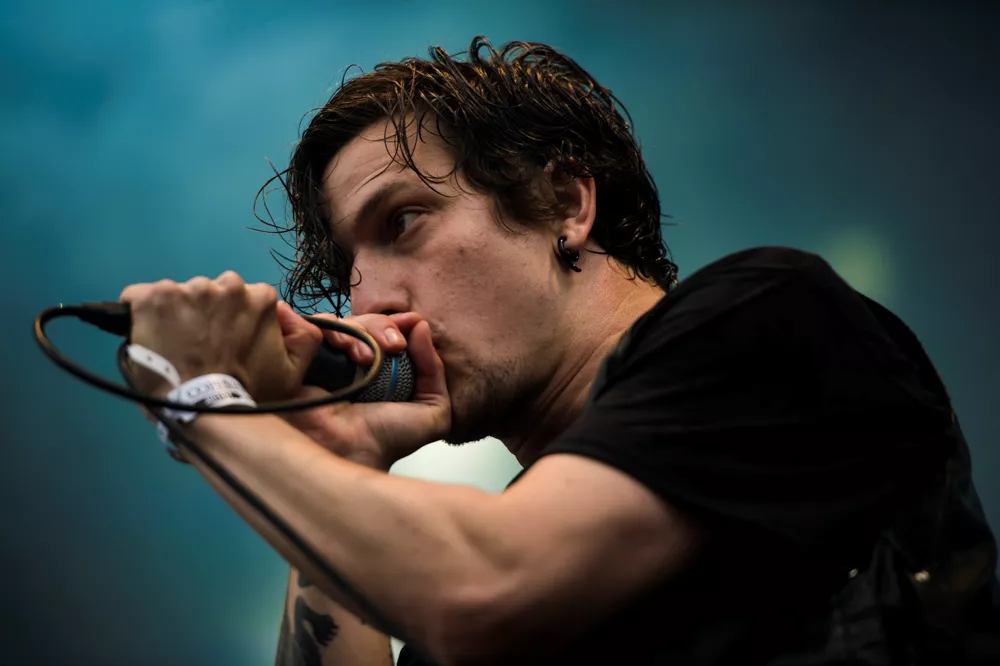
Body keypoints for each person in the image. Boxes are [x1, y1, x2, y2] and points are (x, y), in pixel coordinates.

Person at [118, 37, 999, 666]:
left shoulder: (768, 316)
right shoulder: (457, 565)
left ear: (565, 204)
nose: (369, 301)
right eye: (351, 270)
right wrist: (333, 454)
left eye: (404, 222)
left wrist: (201, 403)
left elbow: (487, 594)